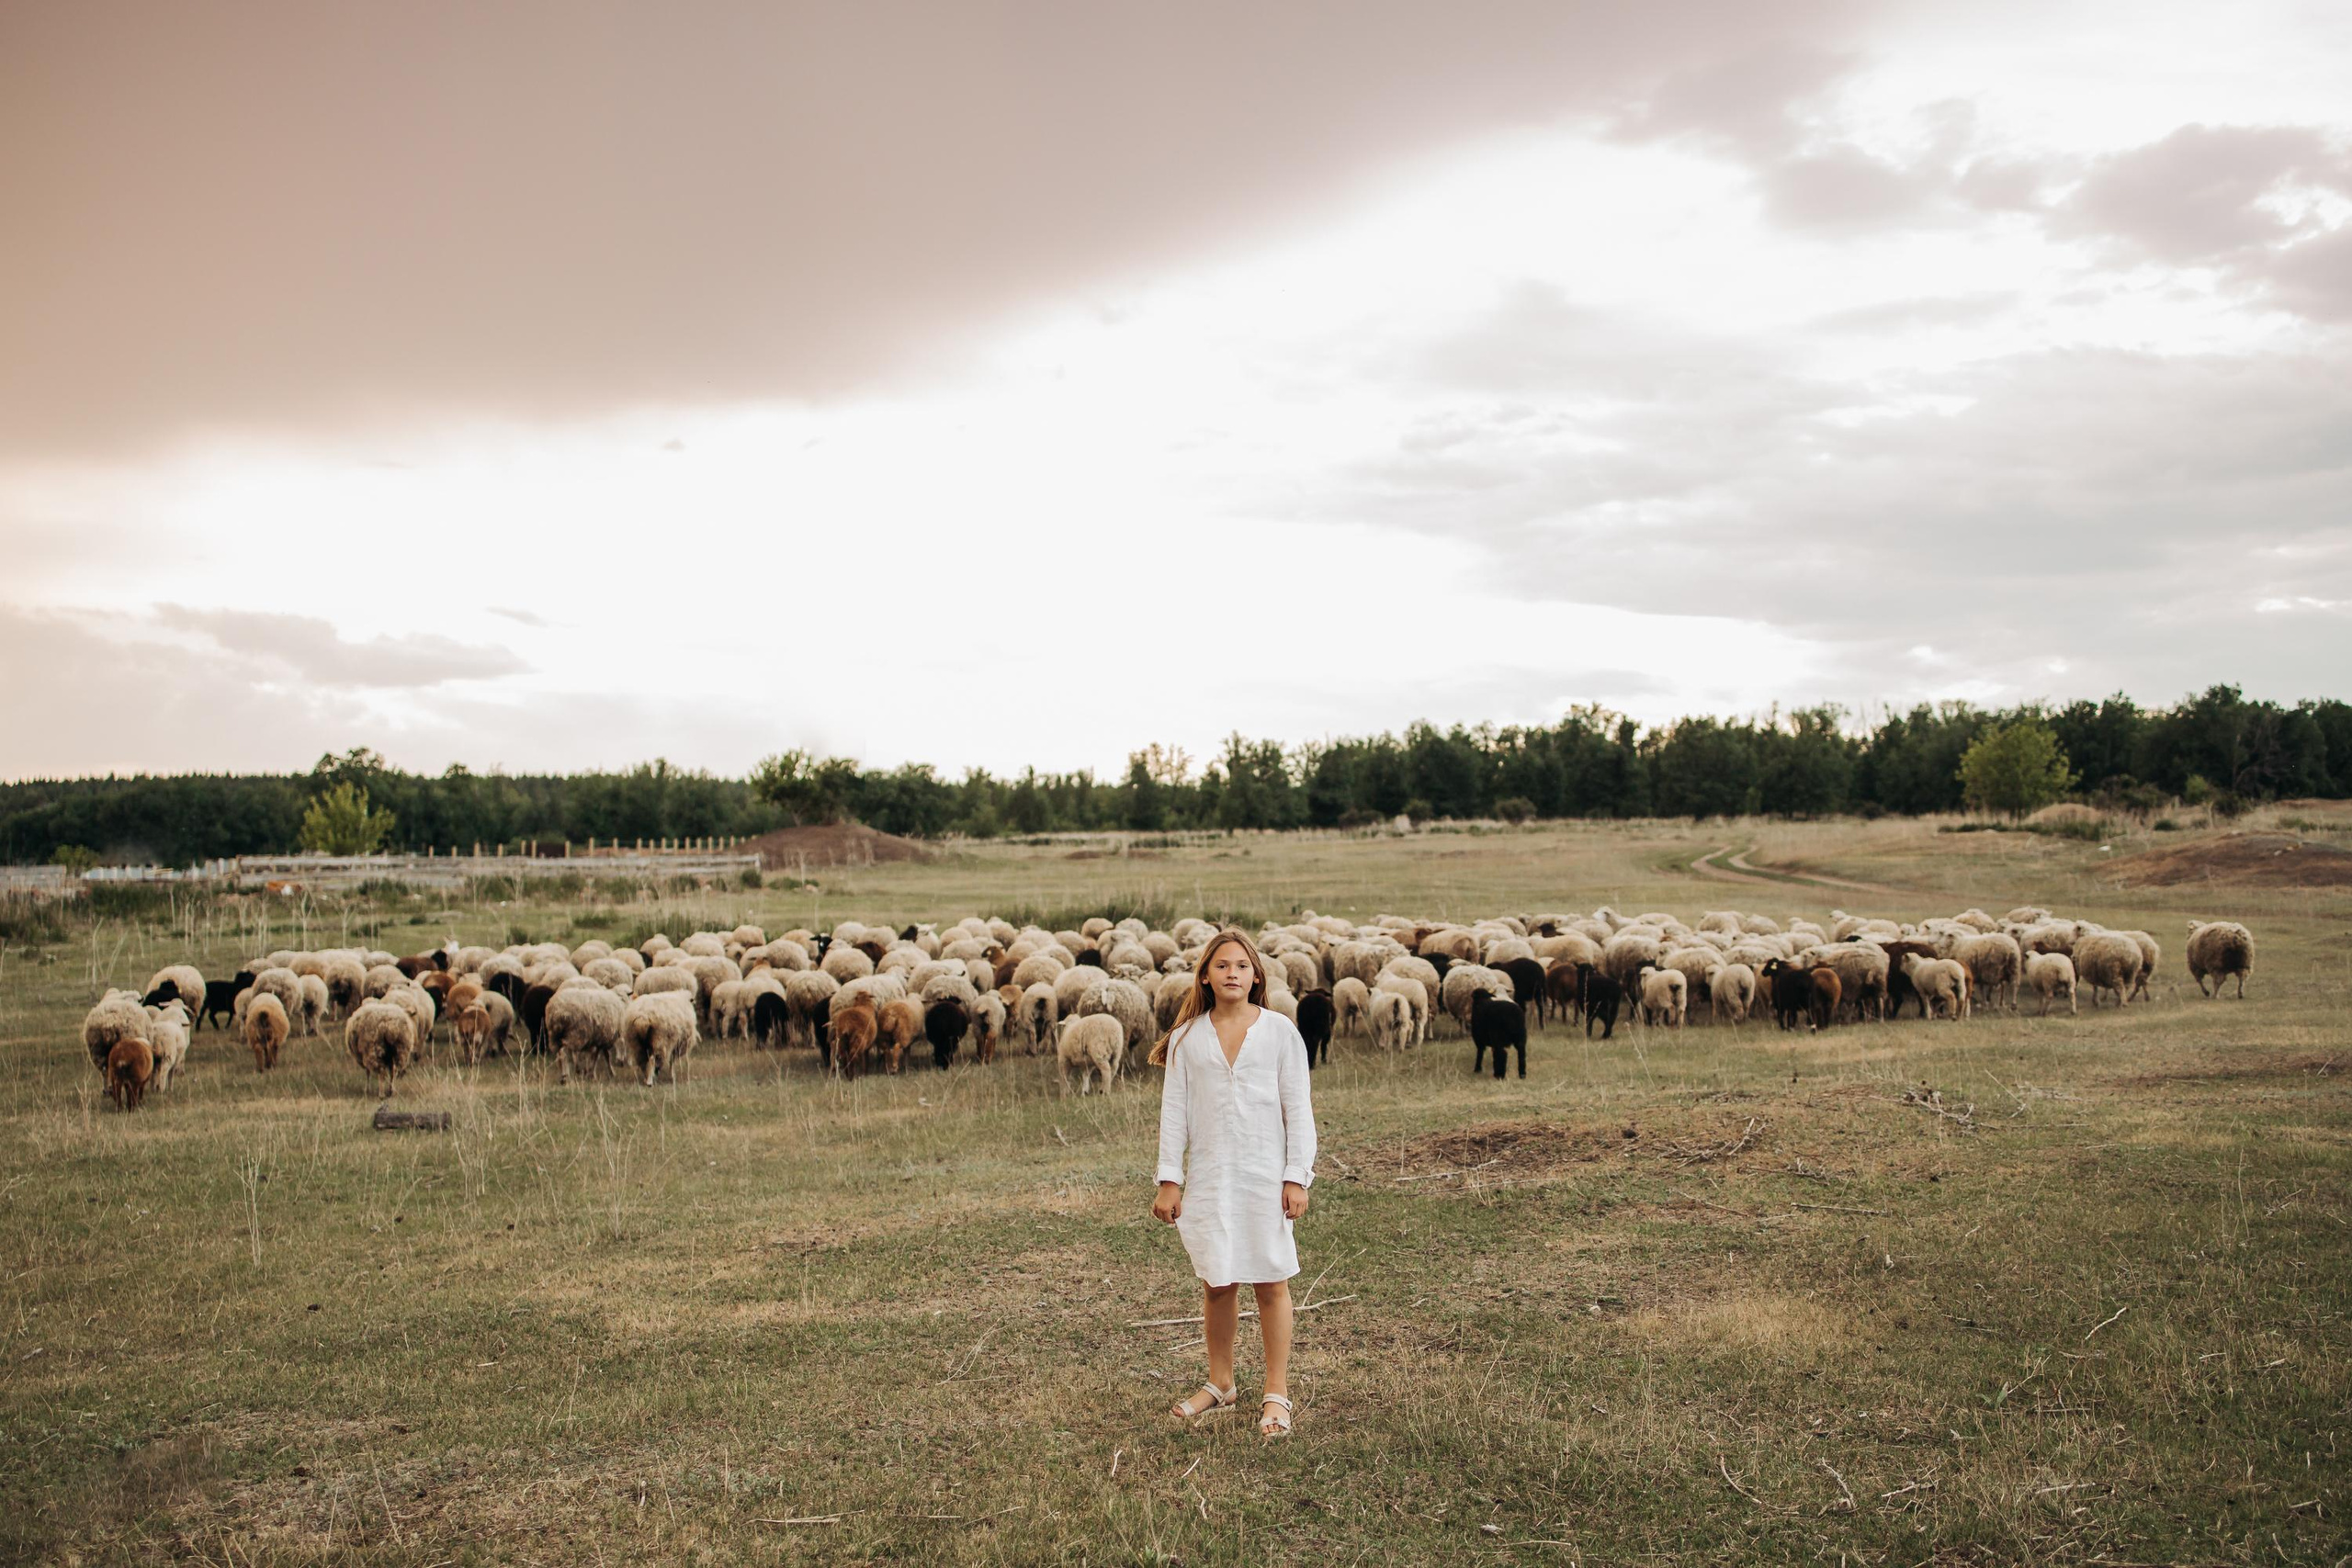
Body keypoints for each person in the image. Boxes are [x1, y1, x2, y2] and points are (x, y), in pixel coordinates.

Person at [1150, 927, 1317, 1438]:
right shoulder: (1186, 1039)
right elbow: (1173, 1113)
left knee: (1270, 1281)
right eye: (1222, 965)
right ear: (1205, 975)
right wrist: (1169, 1180)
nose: (1232, 973)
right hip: (1211, 1176)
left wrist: (1297, 1176)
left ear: (1255, 976)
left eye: (1242, 966)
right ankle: (1221, 1382)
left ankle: (1276, 1393)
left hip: (1264, 1176)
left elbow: (1298, 1109)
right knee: (1218, 1281)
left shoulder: (1280, 1032)